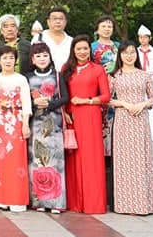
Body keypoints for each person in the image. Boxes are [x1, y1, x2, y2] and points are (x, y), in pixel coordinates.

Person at [63, 34, 111, 214]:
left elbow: (105, 96)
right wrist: (65, 112)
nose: (82, 52)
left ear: (89, 50)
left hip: (90, 116)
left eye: (85, 49)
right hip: (72, 118)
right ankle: (75, 202)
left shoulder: (97, 69)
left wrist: (86, 100)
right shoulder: (66, 69)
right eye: (78, 49)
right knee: (73, 158)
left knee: (91, 159)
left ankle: (93, 203)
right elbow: (63, 95)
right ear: (73, 51)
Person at [108, 41, 153, 215]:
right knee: (123, 162)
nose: (129, 56)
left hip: (140, 120)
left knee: (141, 160)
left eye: (132, 53)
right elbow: (106, 99)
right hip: (122, 119)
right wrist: (123, 103)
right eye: (125, 53)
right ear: (120, 55)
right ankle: (125, 204)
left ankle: (144, 204)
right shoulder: (115, 76)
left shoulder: (144, 75)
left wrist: (143, 104)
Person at [25, 42, 69, 213]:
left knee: (56, 161)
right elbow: (22, 99)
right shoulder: (27, 77)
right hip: (36, 123)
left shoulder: (58, 76)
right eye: (38, 56)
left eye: (45, 55)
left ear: (50, 57)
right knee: (37, 161)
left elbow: (65, 97)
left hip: (54, 124)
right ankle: (39, 202)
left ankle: (57, 202)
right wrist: (34, 103)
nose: (42, 59)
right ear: (32, 59)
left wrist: (49, 103)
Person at [0, 46, 32, 211]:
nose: (8, 61)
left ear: (15, 60)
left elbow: (26, 102)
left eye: (11, 58)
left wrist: (26, 124)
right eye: (4, 58)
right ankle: (0, 198)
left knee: (16, 161)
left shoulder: (21, 79)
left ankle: (17, 199)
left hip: (16, 120)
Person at [92, 15, 120, 157]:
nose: (107, 29)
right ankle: (101, 154)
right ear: (97, 28)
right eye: (103, 26)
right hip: (98, 87)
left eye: (109, 26)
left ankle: (115, 153)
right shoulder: (92, 47)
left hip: (117, 88)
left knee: (115, 121)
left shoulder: (118, 46)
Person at [42, 7, 73, 71]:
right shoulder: (39, 38)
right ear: (48, 22)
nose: (58, 21)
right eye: (54, 18)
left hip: (66, 78)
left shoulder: (71, 41)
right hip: (44, 78)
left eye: (61, 19)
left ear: (65, 22)